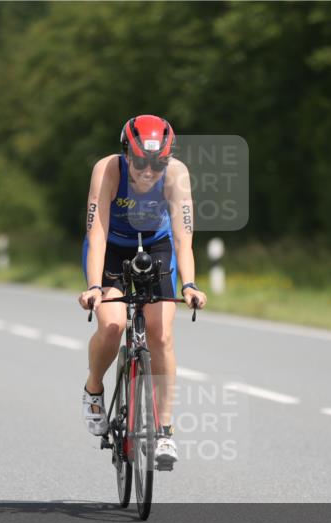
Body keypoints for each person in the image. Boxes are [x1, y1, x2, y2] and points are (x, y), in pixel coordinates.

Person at [78, 115, 207, 468]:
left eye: (158, 163)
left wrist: (190, 284)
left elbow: (183, 237)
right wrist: (93, 287)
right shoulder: (107, 170)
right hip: (113, 248)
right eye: (140, 162)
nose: (149, 171)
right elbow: (97, 233)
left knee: (161, 334)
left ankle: (164, 431)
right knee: (112, 325)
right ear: (126, 153)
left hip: (157, 246)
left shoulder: (177, 174)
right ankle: (93, 390)